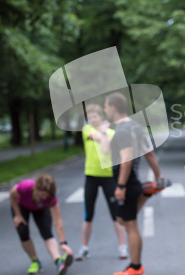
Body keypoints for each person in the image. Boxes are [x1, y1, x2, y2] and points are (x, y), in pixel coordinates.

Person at [104, 92, 165, 275]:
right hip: (132, 182)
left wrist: (121, 186)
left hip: (127, 183)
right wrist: (158, 176)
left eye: (106, 106)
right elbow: (149, 153)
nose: (105, 110)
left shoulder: (122, 130)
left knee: (130, 224)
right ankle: (146, 192)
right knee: (123, 219)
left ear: (113, 107)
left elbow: (126, 160)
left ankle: (135, 267)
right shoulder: (137, 127)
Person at [75, 104, 128, 261]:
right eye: (89, 117)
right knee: (88, 214)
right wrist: (104, 134)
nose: (92, 120)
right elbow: (102, 142)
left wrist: (105, 132)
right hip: (91, 176)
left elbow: (106, 149)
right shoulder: (87, 130)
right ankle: (84, 248)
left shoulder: (111, 132)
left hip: (108, 176)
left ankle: (122, 246)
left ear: (101, 117)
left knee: (115, 213)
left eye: (95, 117)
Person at [9, 173, 73, 275]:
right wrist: (17, 215)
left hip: (40, 209)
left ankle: (58, 261)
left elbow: (58, 221)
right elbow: (12, 195)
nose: (44, 198)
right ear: (35, 188)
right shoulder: (25, 187)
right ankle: (35, 261)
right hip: (21, 207)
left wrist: (63, 243)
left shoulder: (50, 198)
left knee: (47, 232)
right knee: (22, 231)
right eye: (42, 194)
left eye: (46, 196)